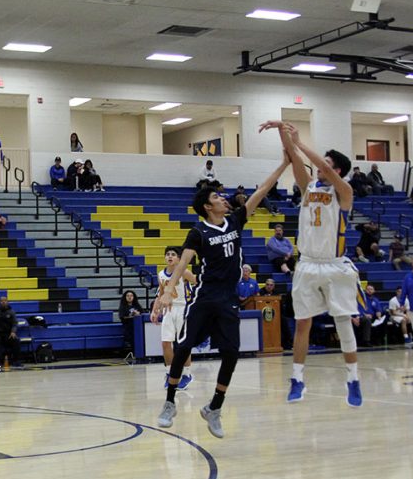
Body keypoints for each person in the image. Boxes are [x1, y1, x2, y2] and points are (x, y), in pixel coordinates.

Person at [154, 148, 289, 438]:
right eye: (216, 197)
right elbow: (185, 261)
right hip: (204, 298)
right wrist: (168, 291)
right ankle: (169, 402)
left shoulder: (237, 220)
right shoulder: (198, 232)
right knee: (183, 346)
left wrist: (284, 164)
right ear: (206, 206)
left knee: (231, 353)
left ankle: (214, 407)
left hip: (228, 299)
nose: (221, 198)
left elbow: (262, 189)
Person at [260, 120, 363, 408]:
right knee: (303, 323)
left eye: (326, 164)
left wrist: (301, 142)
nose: (319, 167)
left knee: (343, 323)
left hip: (335, 264)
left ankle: (353, 379)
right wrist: (283, 130)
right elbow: (294, 159)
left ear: (338, 169)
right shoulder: (308, 189)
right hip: (306, 264)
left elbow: (323, 168)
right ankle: (297, 379)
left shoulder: (344, 192)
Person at [151, 247, 197, 390]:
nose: (170, 257)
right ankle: (170, 374)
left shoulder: (184, 272)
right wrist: (154, 310)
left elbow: (199, 284)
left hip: (183, 308)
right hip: (169, 310)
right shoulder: (161, 274)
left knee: (183, 345)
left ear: (178, 258)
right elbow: (161, 294)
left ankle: (187, 374)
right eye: (168, 254)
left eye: (173, 254)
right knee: (165, 343)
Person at [0, 297, 21, 369]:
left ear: (7, 302)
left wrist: (13, 331)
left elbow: (14, 323)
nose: (3, 302)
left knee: (16, 340)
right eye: (1, 301)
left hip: (9, 334)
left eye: (5, 301)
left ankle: (16, 361)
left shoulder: (11, 312)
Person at [118, 290, 143, 355]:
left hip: (137, 327)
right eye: (128, 296)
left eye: (131, 296)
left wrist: (138, 313)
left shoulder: (137, 306)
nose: (129, 297)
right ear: (125, 297)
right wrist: (132, 316)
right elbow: (122, 317)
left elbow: (142, 314)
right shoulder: (123, 307)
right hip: (128, 327)